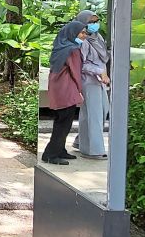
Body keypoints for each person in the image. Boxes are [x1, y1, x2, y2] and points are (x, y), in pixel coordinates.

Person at [42, 18, 86, 165]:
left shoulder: (59, 47)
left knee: (60, 121)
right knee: (64, 123)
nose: (84, 36)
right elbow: (76, 72)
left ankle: (59, 150)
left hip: (57, 89)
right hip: (67, 89)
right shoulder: (73, 50)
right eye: (81, 33)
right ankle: (51, 154)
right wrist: (80, 90)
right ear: (73, 33)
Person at [74, 10, 110, 159]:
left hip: (100, 81)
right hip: (88, 81)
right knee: (93, 114)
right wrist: (99, 71)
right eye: (91, 22)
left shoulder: (98, 37)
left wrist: (103, 73)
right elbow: (81, 64)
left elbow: (103, 59)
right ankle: (94, 150)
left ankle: (81, 141)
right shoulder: (82, 41)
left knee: (102, 110)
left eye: (96, 21)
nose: (94, 25)